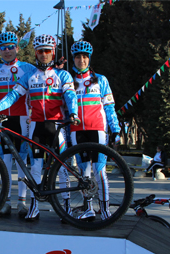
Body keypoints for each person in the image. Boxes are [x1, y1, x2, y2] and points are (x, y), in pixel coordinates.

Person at [0, 34, 78, 221]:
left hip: (56, 125)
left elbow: (70, 95)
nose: (44, 54)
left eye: (47, 51)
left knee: (61, 168)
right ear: (35, 53)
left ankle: (66, 208)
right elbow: (13, 95)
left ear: (52, 52)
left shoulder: (62, 74)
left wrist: (73, 112)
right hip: (36, 125)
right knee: (35, 167)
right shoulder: (30, 75)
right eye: (40, 51)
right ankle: (33, 207)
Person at [68, 41, 121, 220]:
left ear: (89, 58)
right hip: (77, 131)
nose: (81, 60)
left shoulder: (101, 80)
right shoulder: (69, 79)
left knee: (99, 171)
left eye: (84, 57)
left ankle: (105, 211)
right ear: (73, 59)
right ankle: (88, 208)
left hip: (97, 129)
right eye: (77, 57)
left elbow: (109, 107)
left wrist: (115, 129)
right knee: (84, 173)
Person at [0, 32, 36, 217]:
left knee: (22, 161)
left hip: (23, 119)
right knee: (5, 161)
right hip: (1, 121)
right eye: (3, 48)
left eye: (10, 47)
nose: (7, 51)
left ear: (17, 47)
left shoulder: (28, 68)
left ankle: (22, 203)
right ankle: (6, 202)